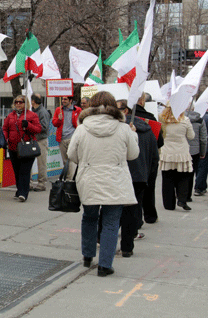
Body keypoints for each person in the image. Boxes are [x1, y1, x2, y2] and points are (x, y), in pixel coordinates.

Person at [67, 91, 139, 277]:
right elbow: (133, 155)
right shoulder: (123, 128)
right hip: (115, 180)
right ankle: (105, 265)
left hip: (89, 179)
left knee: (89, 217)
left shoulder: (82, 128)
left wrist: (85, 160)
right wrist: (134, 136)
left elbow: (71, 155)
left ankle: (87, 255)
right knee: (111, 223)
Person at [116, 100, 158, 257]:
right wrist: (148, 174)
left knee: (113, 210)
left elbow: (132, 154)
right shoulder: (148, 129)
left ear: (125, 111)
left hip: (123, 174)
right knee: (132, 212)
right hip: (139, 175)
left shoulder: (120, 130)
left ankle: (103, 236)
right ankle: (128, 245)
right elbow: (155, 156)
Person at [3, 95, 42, 202]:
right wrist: (4, 139)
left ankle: (23, 193)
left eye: (21, 102)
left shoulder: (32, 115)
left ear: (26, 103)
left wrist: (28, 125)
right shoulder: (11, 115)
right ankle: (19, 190)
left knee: (24, 171)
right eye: (16, 102)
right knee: (17, 171)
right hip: (13, 147)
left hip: (27, 148)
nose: (18, 104)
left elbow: (38, 129)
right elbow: (5, 128)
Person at [134, 93, 163, 223]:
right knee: (149, 188)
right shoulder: (150, 118)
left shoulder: (125, 119)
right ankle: (150, 215)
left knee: (135, 190)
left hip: (133, 158)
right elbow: (159, 142)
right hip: (149, 158)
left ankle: (137, 219)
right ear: (142, 101)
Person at [159, 105, 195, 211]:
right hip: (181, 152)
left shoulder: (162, 120)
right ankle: (182, 199)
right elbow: (191, 136)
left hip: (167, 152)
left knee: (167, 179)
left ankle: (169, 204)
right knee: (183, 177)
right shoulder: (185, 120)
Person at [52, 96, 81, 165]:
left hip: (72, 138)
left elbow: (80, 123)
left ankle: (72, 175)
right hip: (62, 139)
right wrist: (59, 119)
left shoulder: (77, 110)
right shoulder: (58, 110)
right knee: (65, 161)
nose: (63, 101)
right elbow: (54, 123)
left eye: (65, 99)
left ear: (70, 100)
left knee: (73, 159)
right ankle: (68, 175)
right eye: (62, 99)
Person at [185, 109, 207, 201]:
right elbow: (203, 138)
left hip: (183, 149)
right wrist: (203, 152)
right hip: (195, 150)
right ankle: (187, 195)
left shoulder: (180, 118)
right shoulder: (200, 120)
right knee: (191, 173)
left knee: (182, 173)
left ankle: (180, 193)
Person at [31, 93, 51, 192]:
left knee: (41, 163)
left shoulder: (42, 112)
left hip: (40, 139)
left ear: (33, 101)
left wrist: (31, 127)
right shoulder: (32, 111)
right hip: (33, 139)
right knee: (29, 162)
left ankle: (41, 183)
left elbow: (44, 127)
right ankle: (29, 182)